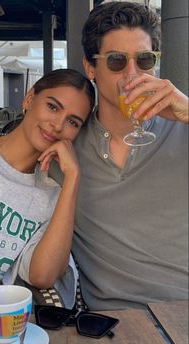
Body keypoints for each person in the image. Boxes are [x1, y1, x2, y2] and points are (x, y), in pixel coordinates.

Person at [51, 2, 188, 311]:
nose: (132, 74)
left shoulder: (183, 129)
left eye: (144, 60)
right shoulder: (67, 147)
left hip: (183, 313)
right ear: (90, 67)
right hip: (113, 323)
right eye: (116, 61)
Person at [0, 68, 95, 315]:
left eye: (73, 122)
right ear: (29, 99)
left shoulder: (51, 198)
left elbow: (43, 275)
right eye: (53, 107)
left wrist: (73, 177)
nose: (58, 125)